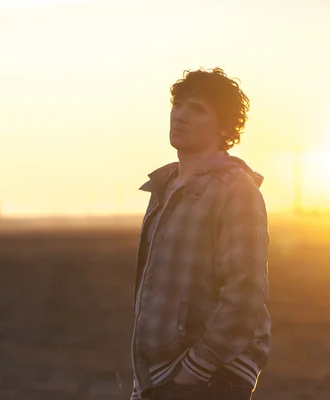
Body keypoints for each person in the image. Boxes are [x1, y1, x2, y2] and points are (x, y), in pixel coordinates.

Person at [130, 68, 270, 400]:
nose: (180, 115)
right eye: (178, 104)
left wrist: (197, 368)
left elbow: (245, 289)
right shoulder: (164, 186)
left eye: (197, 109)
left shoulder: (236, 188)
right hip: (159, 376)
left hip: (209, 378)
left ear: (224, 127)